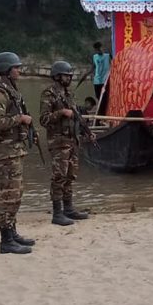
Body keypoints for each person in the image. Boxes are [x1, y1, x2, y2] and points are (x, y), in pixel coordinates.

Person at [0, 52, 36, 254]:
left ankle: (12, 231)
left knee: (16, 193)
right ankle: (6, 239)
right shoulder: (0, 93)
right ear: (7, 70)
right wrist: (20, 119)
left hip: (14, 149)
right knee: (8, 194)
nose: (19, 70)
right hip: (7, 151)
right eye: (16, 67)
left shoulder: (11, 91)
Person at [40, 61, 92, 226]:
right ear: (57, 76)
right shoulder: (49, 93)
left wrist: (87, 132)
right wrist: (61, 112)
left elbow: (76, 117)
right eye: (66, 75)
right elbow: (44, 119)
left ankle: (69, 209)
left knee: (70, 175)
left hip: (72, 140)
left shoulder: (69, 94)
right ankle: (57, 213)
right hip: (58, 142)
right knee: (59, 177)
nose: (69, 78)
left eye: (70, 75)